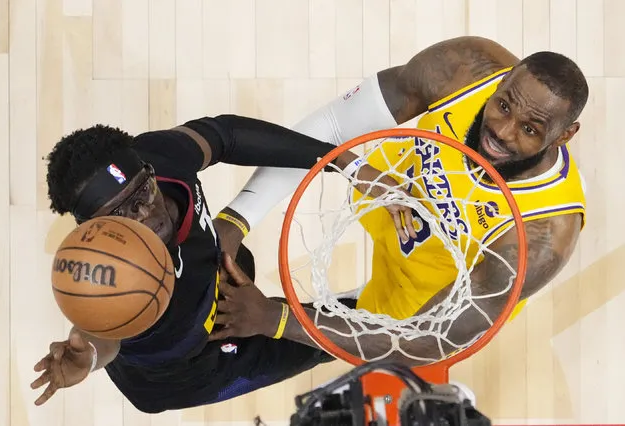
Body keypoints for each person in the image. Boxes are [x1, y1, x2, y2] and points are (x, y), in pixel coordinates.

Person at [209, 36, 589, 364]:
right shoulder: (466, 69)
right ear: (503, 80)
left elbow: (427, 339)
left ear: (564, 135)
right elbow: (335, 126)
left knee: (205, 371)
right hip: (389, 196)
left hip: (427, 295)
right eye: (503, 105)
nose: (501, 132)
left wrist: (274, 320)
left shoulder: (543, 236)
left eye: (529, 129)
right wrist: (236, 219)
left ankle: (355, 304)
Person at [31, 114, 413, 413]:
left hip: (209, 278)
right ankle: (351, 305)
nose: (148, 211)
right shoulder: (110, 277)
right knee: (338, 340)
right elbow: (105, 334)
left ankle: (254, 301)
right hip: (194, 366)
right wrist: (91, 356)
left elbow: (225, 135)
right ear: (98, 228)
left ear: (146, 170)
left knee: (239, 262)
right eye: (125, 213)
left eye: (143, 191)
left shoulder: (160, 157)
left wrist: (344, 163)